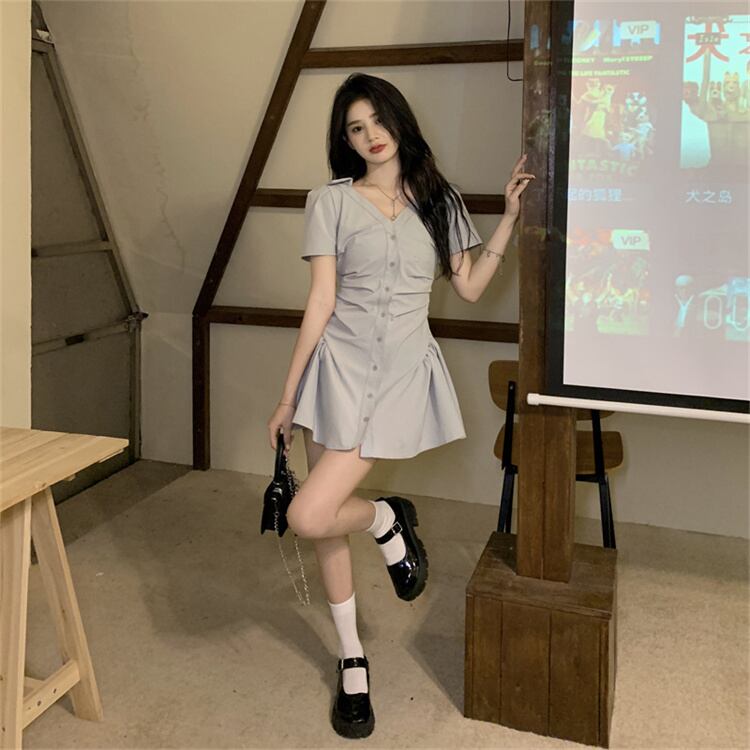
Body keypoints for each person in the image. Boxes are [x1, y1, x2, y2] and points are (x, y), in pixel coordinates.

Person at [266, 72, 533, 740]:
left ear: (398, 120)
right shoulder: (330, 201)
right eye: (355, 128)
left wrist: (508, 221)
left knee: (309, 512)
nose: (370, 136)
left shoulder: (439, 202)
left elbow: (468, 287)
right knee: (324, 525)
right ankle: (352, 658)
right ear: (346, 140)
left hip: (400, 378)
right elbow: (321, 301)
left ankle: (387, 518)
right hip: (335, 373)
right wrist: (288, 395)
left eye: (377, 120)